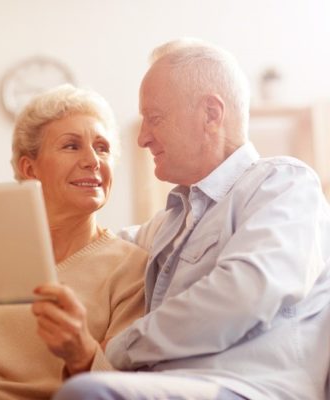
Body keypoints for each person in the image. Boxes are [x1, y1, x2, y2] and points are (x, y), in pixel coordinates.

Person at [50, 38, 330, 400]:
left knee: (87, 392)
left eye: (154, 119)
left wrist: (118, 347)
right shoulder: (170, 221)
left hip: (250, 390)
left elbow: (245, 293)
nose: (142, 138)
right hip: (168, 387)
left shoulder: (283, 184)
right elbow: (98, 248)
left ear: (211, 114)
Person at [0, 84, 148, 400]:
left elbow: (124, 388)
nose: (92, 160)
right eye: (71, 146)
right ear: (29, 169)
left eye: (102, 147)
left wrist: (81, 353)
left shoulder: (133, 268)